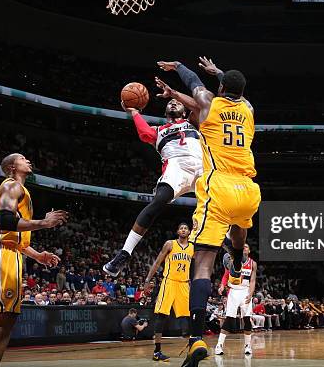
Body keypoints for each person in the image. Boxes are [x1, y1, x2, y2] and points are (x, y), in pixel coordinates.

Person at [156, 57, 261, 367]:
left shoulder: (210, 105)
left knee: (202, 265)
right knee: (240, 223)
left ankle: (196, 339)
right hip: (249, 188)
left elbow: (194, 86)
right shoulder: (249, 109)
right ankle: (239, 258)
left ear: (219, 88)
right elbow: (227, 88)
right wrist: (217, 72)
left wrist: (179, 69)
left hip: (219, 186)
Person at [0, 153, 67, 367]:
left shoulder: (21, 190)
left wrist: (38, 256)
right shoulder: (12, 186)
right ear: (12, 167)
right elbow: (5, 220)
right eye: (22, 158)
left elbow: (16, 238)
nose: (28, 160)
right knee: (6, 318)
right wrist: (44, 223)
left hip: (9, 252)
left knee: (2, 318)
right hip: (1, 253)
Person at [103, 96, 203, 277]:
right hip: (177, 167)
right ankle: (124, 253)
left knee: (220, 204)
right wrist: (134, 113)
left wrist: (175, 93)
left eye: (177, 102)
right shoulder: (158, 130)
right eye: (170, 103)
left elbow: (198, 105)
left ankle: (231, 250)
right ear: (165, 112)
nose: (173, 102)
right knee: (157, 202)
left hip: (202, 167)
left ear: (185, 110)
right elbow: (144, 134)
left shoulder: (192, 122)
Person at [144, 222, 193, 361]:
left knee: (188, 316)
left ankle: (193, 348)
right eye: (181, 228)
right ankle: (157, 351)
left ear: (189, 232)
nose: (183, 230)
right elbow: (158, 262)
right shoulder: (170, 244)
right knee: (162, 315)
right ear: (178, 231)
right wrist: (148, 280)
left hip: (184, 284)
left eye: (186, 228)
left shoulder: (192, 248)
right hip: (169, 281)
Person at [215, 244, 258, 356]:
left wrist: (250, 293)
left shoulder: (253, 263)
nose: (244, 248)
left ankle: (248, 345)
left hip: (245, 291)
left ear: (249, 250)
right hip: (233, 291)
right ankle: (219, 345)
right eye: (242, 246)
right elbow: (226, 275)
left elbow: (252, 281)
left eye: (246, 247)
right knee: (229, 319)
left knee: (247, 319)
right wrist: (222, 285)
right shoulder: (232, 260)